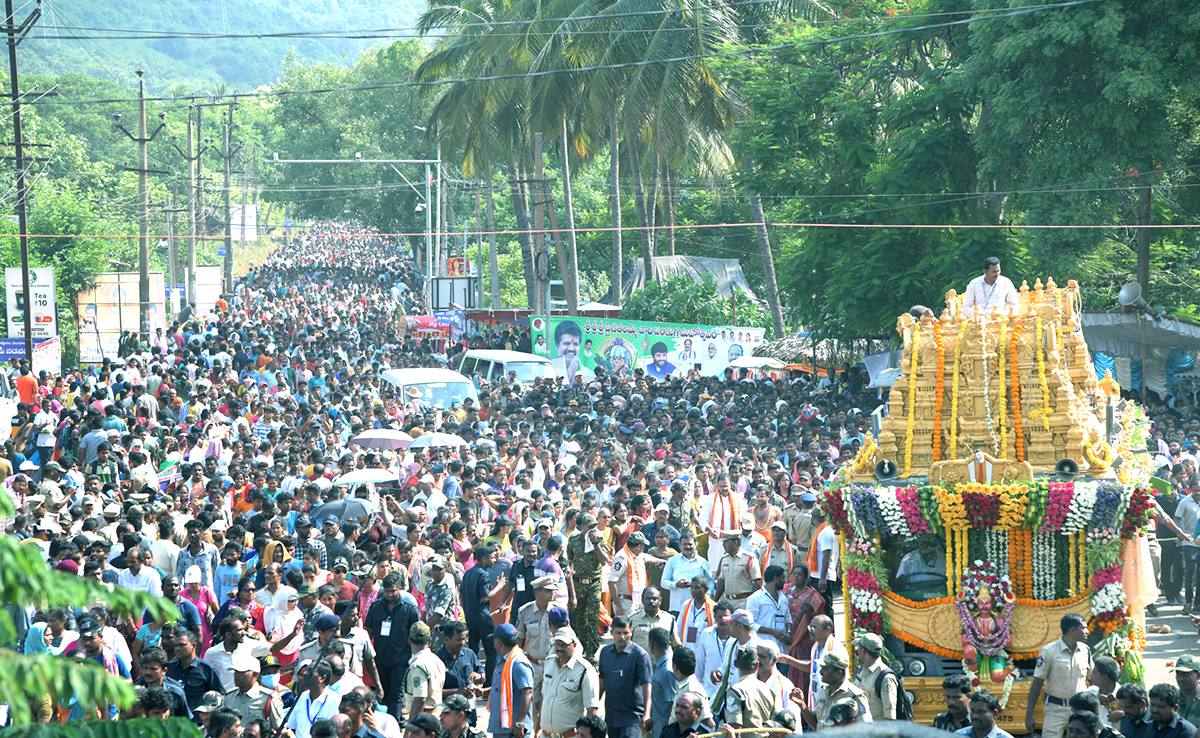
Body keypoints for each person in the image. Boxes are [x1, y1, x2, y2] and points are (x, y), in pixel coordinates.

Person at [363, 570, 421, 718]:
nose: (389, 594)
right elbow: (368, 631)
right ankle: (385, 723)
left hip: (401, 659)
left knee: (396, 693)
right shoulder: (375, 607)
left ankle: (394, 725)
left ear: (400, 588)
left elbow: (416, 633)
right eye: (387, 591)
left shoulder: (410, 608)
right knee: (383, 692)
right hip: (380, 658)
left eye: (393, 591)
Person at [1027, 614, 1093, 738]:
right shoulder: (1049, 651)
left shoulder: (1085, 651)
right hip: (1055, 710)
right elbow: (1037, 683)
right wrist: (1029, 713)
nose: (1087, 631)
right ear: (1073, 630)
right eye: (1083, 628)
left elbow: (1092, 678)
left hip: (1079, 710)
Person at [598, 616, 653, 738]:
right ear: (612, 632)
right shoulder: (605, 653)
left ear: (631, 632)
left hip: (632, 718)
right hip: (611, 716)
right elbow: (601, 682)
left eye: (626, 633)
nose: (622, 637)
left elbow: (647, 686)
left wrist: (647, 713)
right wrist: (594, 707)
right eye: (618, 633)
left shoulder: (640, 655)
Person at [540, 627, 600, 738]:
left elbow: (592, 709)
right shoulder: (549, 662)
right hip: (546, 734)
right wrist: (539, 727)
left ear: (575, 645)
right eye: (557, 644)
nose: (559, 648)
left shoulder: (585, 670)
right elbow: (545, 697)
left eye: (564, 644)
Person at [567, 513, 611, 660]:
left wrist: (595, 543)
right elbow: (570, 560)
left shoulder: (599, 538)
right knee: (580, 617)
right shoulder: (574, 540)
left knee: (592, 617)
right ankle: (583, 647)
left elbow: (604, 560)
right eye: (589, 527)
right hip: (579, 583)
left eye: (595, 526)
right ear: (583, 527)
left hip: (594, 583)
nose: (593, 529)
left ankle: (591, 651)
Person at [515, 575, 556, 731]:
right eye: (548, 591)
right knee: (530, 702)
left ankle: (545, 732)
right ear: (538, 593)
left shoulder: (558, 611)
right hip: (532, 664)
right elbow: (519, 639)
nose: (553, 594)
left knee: (550, 703)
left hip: (553, 664)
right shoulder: (525, 612)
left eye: (553, 591)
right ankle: (533, 732)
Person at [800, 651, 871, 730]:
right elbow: (817, 724)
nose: (821, 672)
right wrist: (802, 704)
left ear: (838, 673)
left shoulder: (854, 695)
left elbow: (866, 729)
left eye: (825, 669)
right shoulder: (824, 690)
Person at [488, 623, 534, 738]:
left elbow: (527, 692)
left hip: (514, 730)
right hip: (502, 728)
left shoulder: (518, 662)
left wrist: (520, 723)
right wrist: (484, 691)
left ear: (499, 642)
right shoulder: (504, 660)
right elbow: (505, 687)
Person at [219, 651, 284, 731]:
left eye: (241, 672)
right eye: (235, 671)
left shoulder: (269, 698)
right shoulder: (229, 696)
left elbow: (279, 729)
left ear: (255, 674)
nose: (236, 675)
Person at [723, 645, 776, 738]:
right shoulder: (769, 690)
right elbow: (775, 724)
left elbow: (734, 728)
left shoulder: (735, 691)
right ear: (757, 665)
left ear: (735, 664)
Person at [287, 661, 342, 738]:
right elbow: (291, 727)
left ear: (322, 678)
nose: (305, 673)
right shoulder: (301, 698)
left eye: (310, 671)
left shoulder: (335, 701)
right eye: (306, 670)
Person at [403, 621, 445, 720]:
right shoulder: (437, 660)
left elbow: (420, 699)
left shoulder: (418, 666)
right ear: (429, 641)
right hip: (438, 714)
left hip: (424, 719)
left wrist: (411, 728)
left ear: (409, 641)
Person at [853, 633, 898, 721]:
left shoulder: (885, 677)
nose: (858, 651)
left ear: (864, 651)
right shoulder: (863, 670)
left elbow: (890, 717)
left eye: (859, 647)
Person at [630, 586, 681, 655]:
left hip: (663, 664)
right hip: (639, 664)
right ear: (642, 600)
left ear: (660, 601)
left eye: (654, 599)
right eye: (648, 598)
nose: (651, 601)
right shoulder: (632, 620)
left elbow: (676, 645)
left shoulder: (669, 620)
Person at [649, 628, 677, 738]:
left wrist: (669, 732)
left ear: (651, 646)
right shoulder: (661, 667)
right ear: (669, 644)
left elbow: (673, 704)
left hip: (665, 732)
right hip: (659, 727)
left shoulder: (667, 670)